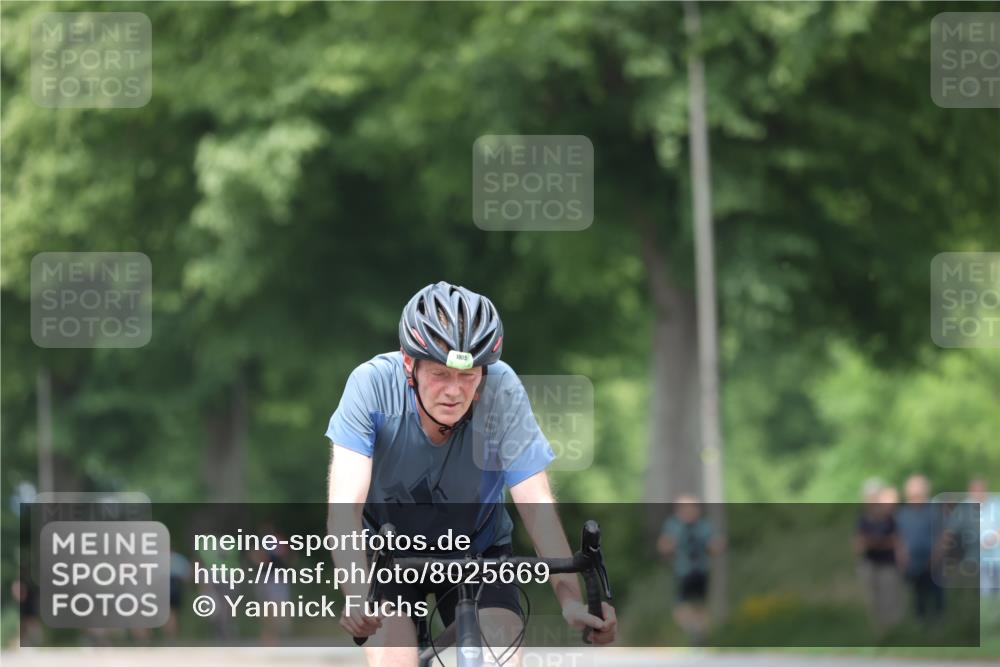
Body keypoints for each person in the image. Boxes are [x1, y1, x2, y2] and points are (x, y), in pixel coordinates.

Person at [325, 281, 617, 667]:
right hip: (389, 555)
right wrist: (357, 593)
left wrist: (571, 601)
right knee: (394, 658)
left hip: (477, 551)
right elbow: (345, 507)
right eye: (439, 374)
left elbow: (536, 503)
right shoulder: (371, 386)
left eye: (468, 376)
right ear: (409, 364)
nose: (454, 391)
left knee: (499, 656)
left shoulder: (502, 390)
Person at [656, 494, 724, 645]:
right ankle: (695, 631)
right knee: (682, 609)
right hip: (684, 571)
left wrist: (716, 546)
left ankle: (700, 636)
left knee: (698, 606)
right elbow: (664, 546)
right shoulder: (674, 524)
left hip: (699, 571)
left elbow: (714, 546)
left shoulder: (703, 525)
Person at [854, 478, 904, 634]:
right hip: (869, 563)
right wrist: (878, 541)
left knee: (889, 599)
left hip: (888, 564)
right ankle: (878, 632)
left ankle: (894, 632)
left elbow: (896, 541)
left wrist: (874, 542)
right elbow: (858, 544)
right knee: (872, 600)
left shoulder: (890, 516)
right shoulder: (863, 518)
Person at [895, 474, 944, 623]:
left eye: (918, 493)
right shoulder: (902, 513)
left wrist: (936, 557)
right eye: (912, 493)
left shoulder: (934, 511)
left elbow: (941, 536)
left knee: (937, 593)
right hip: (913, 562)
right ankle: (920, 621)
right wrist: (901, 557)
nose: (915, 496)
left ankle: (939, 622)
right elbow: (899, 538)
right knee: (918, 594)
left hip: (933, 561)